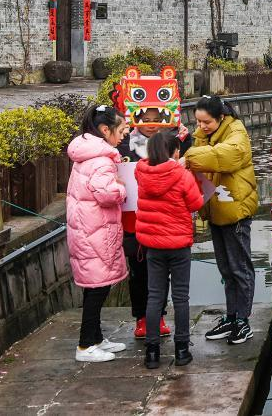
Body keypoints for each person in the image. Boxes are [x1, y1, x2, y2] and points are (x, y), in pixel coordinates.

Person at [183, 95, 258, 345]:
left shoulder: (237, 131)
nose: (202, 126)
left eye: (207, 122)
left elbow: (227, 156)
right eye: (199, 122)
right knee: (226, 269)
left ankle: (243, 320)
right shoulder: (204, 134)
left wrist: (191, 157)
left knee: (240, 268)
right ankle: (231, 315)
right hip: (215, 209)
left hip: (235, 210)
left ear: (221, 117)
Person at [117, 108, 193, 341]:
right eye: (145, 120)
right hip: (135, 221)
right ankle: (141, 318)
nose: (151, 124)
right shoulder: (124, 145)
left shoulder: (172, 142)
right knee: (139, 273)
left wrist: (186, 140)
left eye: (157, 119)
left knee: (163, 276)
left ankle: (158, 316)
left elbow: (188, 162)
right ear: (135, 121)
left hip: (164, 224)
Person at [134, 131, 204, 369]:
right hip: (178, 245)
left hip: (153, 245)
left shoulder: (141, 173)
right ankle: (182, 349)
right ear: (175, 152)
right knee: (181, 297)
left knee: (154, 296)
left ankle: (152, 352)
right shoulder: (181, 175)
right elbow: (196, 203)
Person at [66, 104, 129, 363]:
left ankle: (96, 338)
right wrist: (122, 187)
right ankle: (84, 346)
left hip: (88, 230)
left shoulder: (87, 155)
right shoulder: (102, 160)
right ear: (106, 130)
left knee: (96, 287)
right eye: (122, 130)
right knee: (97, 290)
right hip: (96, 233)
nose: (124, 135)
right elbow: (106, 194)